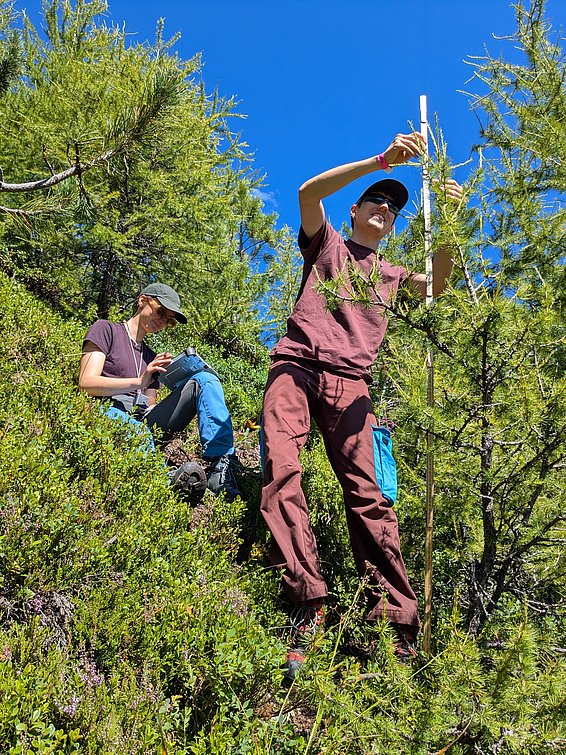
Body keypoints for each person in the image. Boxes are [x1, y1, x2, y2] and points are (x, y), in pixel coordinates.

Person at [260, 132, 463, 680]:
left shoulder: (392, 275)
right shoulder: (325, 241)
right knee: (281, 471)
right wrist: (380, 161)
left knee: (370, 497)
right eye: (377, 200)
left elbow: (437, 283)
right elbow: (306, 192)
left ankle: (393, 627)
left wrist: (447, 223)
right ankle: (307, 602)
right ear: (355, 210)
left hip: (353, 386)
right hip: (296, 366)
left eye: (394, 209)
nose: (385, 210)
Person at [79, 282, 240, 502]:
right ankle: (165, 479)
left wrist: (175, 391)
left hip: (143, 420)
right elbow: (86, 382)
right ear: (143, 300)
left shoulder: (152, 357)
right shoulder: (106, 329)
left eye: (168, 320)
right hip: (106, 410)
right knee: (139, 431)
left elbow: (150, 405)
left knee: (206, 380)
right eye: (161, 312)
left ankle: (222, 466)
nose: (162, 321)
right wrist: (138, 381)